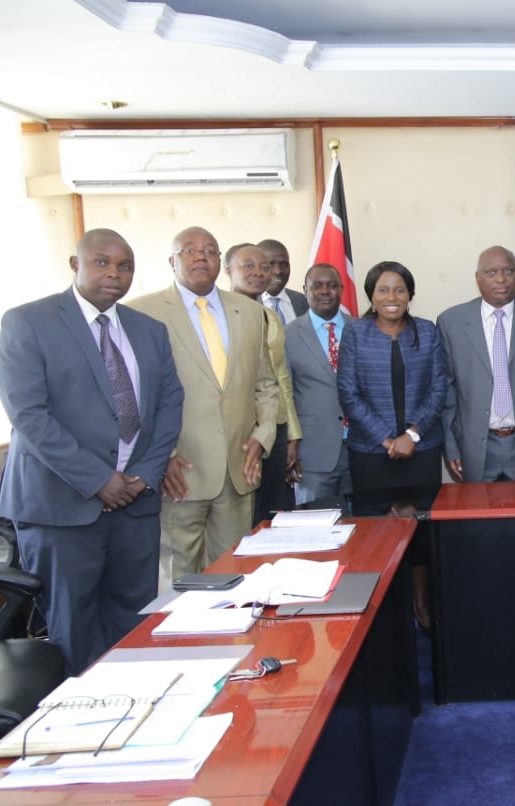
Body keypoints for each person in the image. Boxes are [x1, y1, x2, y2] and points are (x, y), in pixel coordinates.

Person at [0, 229, 184, 673]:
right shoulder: (27, 322)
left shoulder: (149, 331)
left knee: (134, 619)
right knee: (71, 628)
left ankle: (132, 707)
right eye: (102, 262)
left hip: (135, 504)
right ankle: (74, 726)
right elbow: (30, 415)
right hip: (61, 506)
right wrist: (99, 480)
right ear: (75, 264)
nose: (114, 274)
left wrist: (144, 474)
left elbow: (170, 402)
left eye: (125, 266)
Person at [131, 226, 278, 587]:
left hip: (238, 468)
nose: (201, 257)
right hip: (179, 471)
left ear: (220, 263)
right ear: (172, 261)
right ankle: (179, 644)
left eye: (210, 251)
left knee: (233, 573)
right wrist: (160, 455)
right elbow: (133, 396)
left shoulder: (249, 311)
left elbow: (266, 385)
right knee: (177, 576)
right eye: (190, 251)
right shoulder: (140, 313)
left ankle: (231, 643)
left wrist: (263, 435)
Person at [337, 260, 447, 629]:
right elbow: (348, 393)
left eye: (399, 289)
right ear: (371, 295)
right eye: (383, 289)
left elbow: (438, 387)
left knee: (419, 533)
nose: (392, 297)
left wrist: (411, 435)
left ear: (410, 295)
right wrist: (387, 438)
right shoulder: (356, 334)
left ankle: (421, 603)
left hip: (422, 450)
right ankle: (384, 614)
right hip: (372, 454)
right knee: (375, 534)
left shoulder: (428, 333)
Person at [438, 246, 515, 482]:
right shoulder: (451, 322)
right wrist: (450, 447)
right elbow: (446, 393)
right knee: (479, 518)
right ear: (477, 278)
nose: (501, 279)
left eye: (509, 271)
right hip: (474, 445)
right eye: (491, 272)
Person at [225, 242, 302, 522]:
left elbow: (281, 377)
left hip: (277, 427)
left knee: (274, 513)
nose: (259, 272)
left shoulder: (269, 316)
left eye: (264, 267)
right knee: (242, 515)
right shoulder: (217, 315)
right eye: (249, 266)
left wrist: (292, 433)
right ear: (229, 270)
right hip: (240, 430)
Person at [284, 263, 352, 504]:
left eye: (332, 285)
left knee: (364, 524)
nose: (325, 291)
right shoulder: (288, 335)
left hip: (361, 449)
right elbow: (285, 394)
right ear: (305, 290)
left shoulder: (360, 328)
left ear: (342, 289)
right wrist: (290, 444)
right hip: (313, 452)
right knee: (316, 525)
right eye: (317, 286)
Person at [257, 238, 307, 325]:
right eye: (270, 265)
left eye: (283, 264)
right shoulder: (246, 304)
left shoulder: (304, 302)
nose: (278, 271)